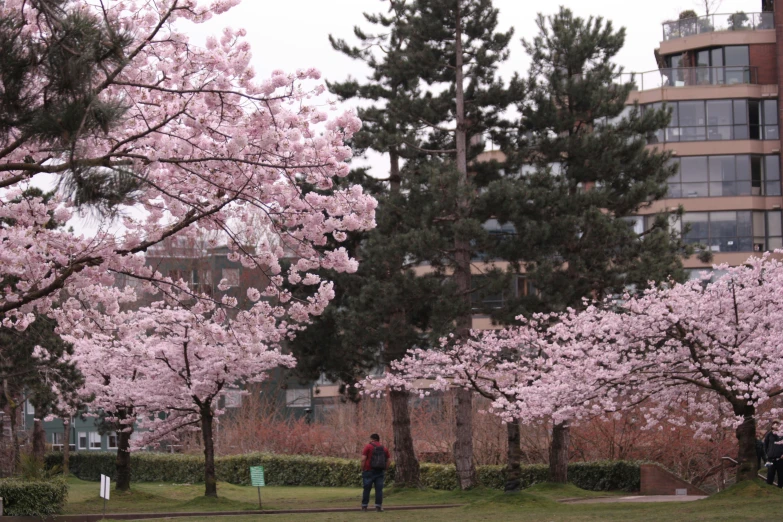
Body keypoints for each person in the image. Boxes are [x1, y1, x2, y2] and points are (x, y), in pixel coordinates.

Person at [360, 433, 391, 512]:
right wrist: (385, 468)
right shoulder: (384, 448)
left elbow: (363, 459)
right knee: (379, 490)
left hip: (368, 470)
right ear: (378, 439)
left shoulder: (368, 446)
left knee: (367, 489)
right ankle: (378, 507)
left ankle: (364, 507)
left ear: (372, 439)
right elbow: (389, 460)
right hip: (380, 471)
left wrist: (362, 468)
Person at [764, 421, 783, 487]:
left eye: (777, 425)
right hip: (771, 458)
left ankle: (780, 488)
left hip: (780, 458)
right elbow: (765, 444)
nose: (775, 426)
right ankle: (769, 487)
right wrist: (768, 453)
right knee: (770, 473)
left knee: (780, 474)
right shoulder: (769, 434)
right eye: (774, 424)